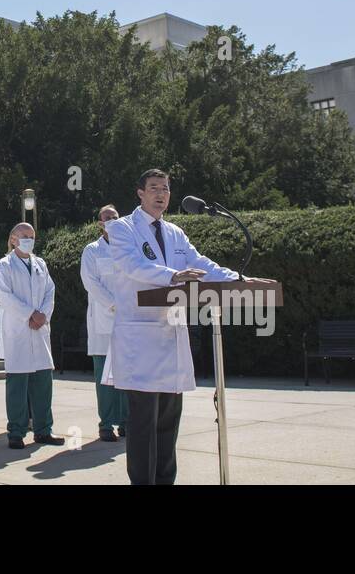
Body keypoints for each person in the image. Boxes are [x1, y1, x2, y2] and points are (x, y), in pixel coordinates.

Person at [105, 169, 270, 485]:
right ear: (140, 193)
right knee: (143, 424)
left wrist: (237, 278)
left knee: (168, 422)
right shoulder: (123, 228)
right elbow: (131, 265)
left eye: (165, 189)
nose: (161, 194)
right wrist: (171, 275)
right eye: (154, 188)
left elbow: (202, 265)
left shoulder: (175, 233)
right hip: (140, 339)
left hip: (170, 338)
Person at [0, 222, 63, 450]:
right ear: (13, 239)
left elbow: (50, 291)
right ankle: (16, 431)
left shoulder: (40, 264)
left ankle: (43, 430)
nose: (28, 239)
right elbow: (4, 296)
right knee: (17, 386)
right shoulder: (4, 265)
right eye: (24, 235)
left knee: (43, 383)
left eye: (32, 236)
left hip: (40, 330)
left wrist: (43, 315)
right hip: (19, 331)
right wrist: (30, 314)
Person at [81, 204, 127, 442]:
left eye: (115, 217)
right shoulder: (92, 251)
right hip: (103, 320)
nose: (111, 220)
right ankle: (106, 424)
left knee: (126, 374)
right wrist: (113, 304)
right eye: (106, 218)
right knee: (105, 377)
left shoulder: (128, 248)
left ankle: (126, 422)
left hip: (128, 320)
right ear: (100, 223)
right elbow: (91, 283)